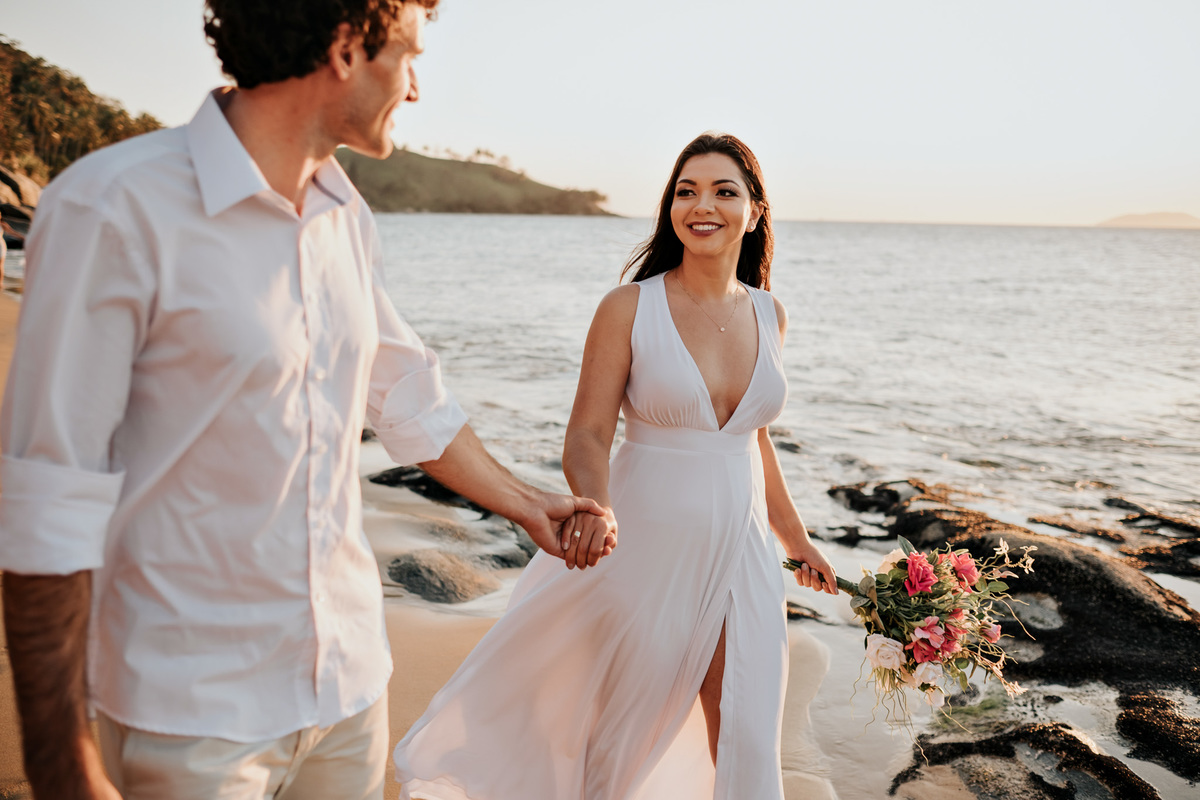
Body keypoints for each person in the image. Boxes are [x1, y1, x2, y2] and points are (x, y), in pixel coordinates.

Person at [0, 2, 612, 799]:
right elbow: (47, 497)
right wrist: (60, 766)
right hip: (192, 718)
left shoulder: (343, 214)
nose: (416, 88)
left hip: (348, 697)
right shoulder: (114, 207)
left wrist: (530, 503)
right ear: (346, 47)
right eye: (409, 56)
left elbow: (407, 394)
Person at [393, 133, 838, 799]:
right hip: (644, 541)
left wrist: (796, 539)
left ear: (755, 212)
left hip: (743, 548)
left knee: (746, 725)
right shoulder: (629, 307)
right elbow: (588, 432)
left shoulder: (769, 313)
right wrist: (596, 508)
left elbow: (754, 439)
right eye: (686, 191)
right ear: (670, 208)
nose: (702, 206)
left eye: (723, 191)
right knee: (626, 726)